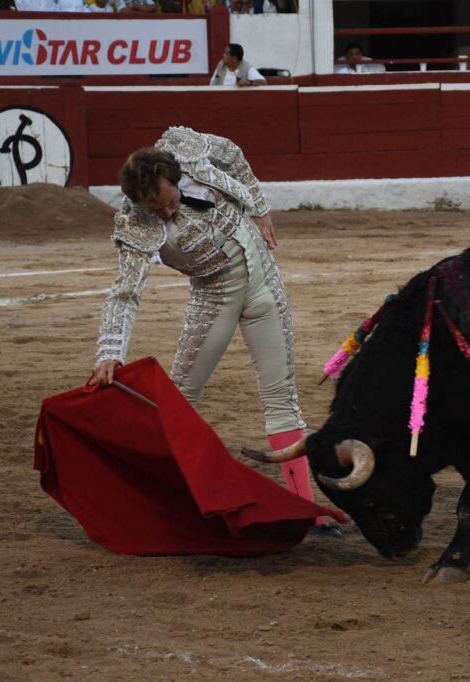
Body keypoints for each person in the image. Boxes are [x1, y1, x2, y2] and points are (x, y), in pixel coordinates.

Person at [93, 127, 339, 536]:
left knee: (282, 397)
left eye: (169, 201)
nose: (168, 214)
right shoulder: (135, 222)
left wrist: (259, 207)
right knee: (178, 402)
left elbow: (234, 153)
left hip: (264, 283)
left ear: (174, 177)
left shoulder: (185, 149)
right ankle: (160, 504)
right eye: (157, 210)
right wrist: (109, 350)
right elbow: (125, 293)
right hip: (214, 298)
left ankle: (307, 511)